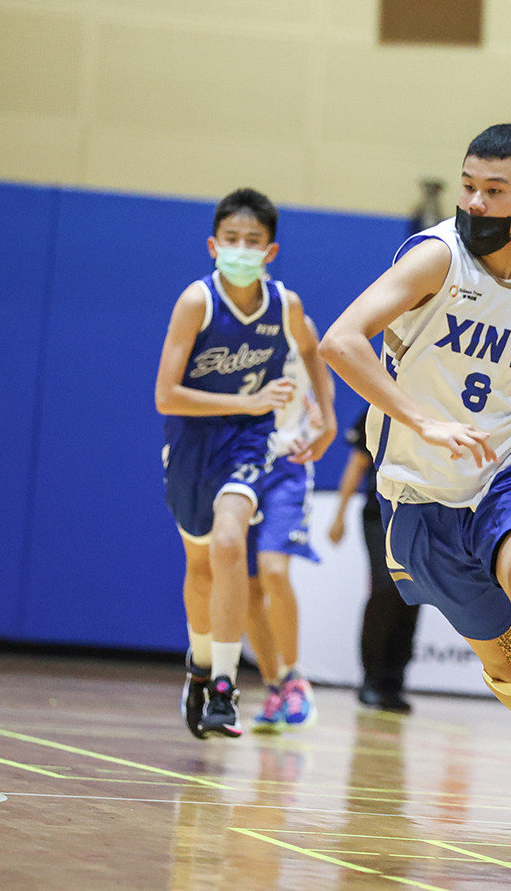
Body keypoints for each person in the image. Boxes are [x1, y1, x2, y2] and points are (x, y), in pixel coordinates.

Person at [319, 123, 511, 855]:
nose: (475, 201)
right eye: (469, 186)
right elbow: (340, 341)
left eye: (494, 190)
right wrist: (422, 419)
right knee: (507, 665)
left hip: (506, 467)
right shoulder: (435, 258)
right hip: (419, 491)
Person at [155, 188, 336, 739]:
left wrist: (327, 416)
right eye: (230, 239)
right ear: (213, 245)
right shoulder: (197, 302)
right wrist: (246, 400)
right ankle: (200, 665)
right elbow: (165, 396)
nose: (240, 248)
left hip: (253, 443)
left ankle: (226, 688)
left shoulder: (286, 305)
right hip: (193, 443)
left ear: (270, 251)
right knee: (200, 568)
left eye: (252, 240)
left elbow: (313, 349)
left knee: (233, 543)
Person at [242, 315, 336, 732]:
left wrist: (323, 414)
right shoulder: (217, 321)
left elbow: (319, 362)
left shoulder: (295, 319)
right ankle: (273, 685)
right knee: (248, 586)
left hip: (286, 464)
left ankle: (295, 677)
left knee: (274, 570)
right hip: (239, 461)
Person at [327, 407, 421, 713]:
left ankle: (394, 682)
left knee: (413, 595)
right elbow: (357, 463)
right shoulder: (378, 407)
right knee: (385, 586)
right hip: (379, 513)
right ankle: (371, 678)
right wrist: (339, 515)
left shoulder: (438, 404)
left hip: (421, 514)